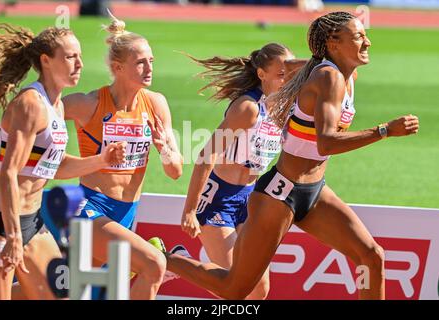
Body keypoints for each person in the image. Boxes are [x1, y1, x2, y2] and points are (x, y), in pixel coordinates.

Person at [164, 11, 419, 300]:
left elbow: (293, 66)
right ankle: (168, 259)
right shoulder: (326, 78)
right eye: (359, 36)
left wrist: (302, 61)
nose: (368, 42)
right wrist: (385, 130)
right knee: (235, 289)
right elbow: (326, 143)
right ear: (334, 43)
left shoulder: (345, 74)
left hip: (313, 190)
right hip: (278, 194)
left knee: (371, 256)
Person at [0, 23, 125, 300]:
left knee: (62, 294)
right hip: (2, 224)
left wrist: (101, 160)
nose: (79, 64)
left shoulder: (57, 106)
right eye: (70, 57)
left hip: (33, 222)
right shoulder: (32, 104)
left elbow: (56, 166)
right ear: (46, 61)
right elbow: (8, 174)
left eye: (80, 56)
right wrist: (13, 236)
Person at [63, 14, 183, 300]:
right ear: (118, 67)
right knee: (154, 264)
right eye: (140, 62)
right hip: (89, 207)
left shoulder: (155, 104)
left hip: (127, 212)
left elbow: (176, 171)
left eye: (151, 61)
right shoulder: (88, 103)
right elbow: (36, 113)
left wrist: (163, 147)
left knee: (63, 293)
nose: (149, 68)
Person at [179, 43, 305, 299]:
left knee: (260, 290)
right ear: (262, 74)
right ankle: (173, 261)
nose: (288, 78)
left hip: (251, 199)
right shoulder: (247, 108)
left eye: (291, 72)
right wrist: (190, 209)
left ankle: (177, 261)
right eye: (281, 73)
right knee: (233, 289)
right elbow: (206, 156)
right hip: (218, 199)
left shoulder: (284, 108)